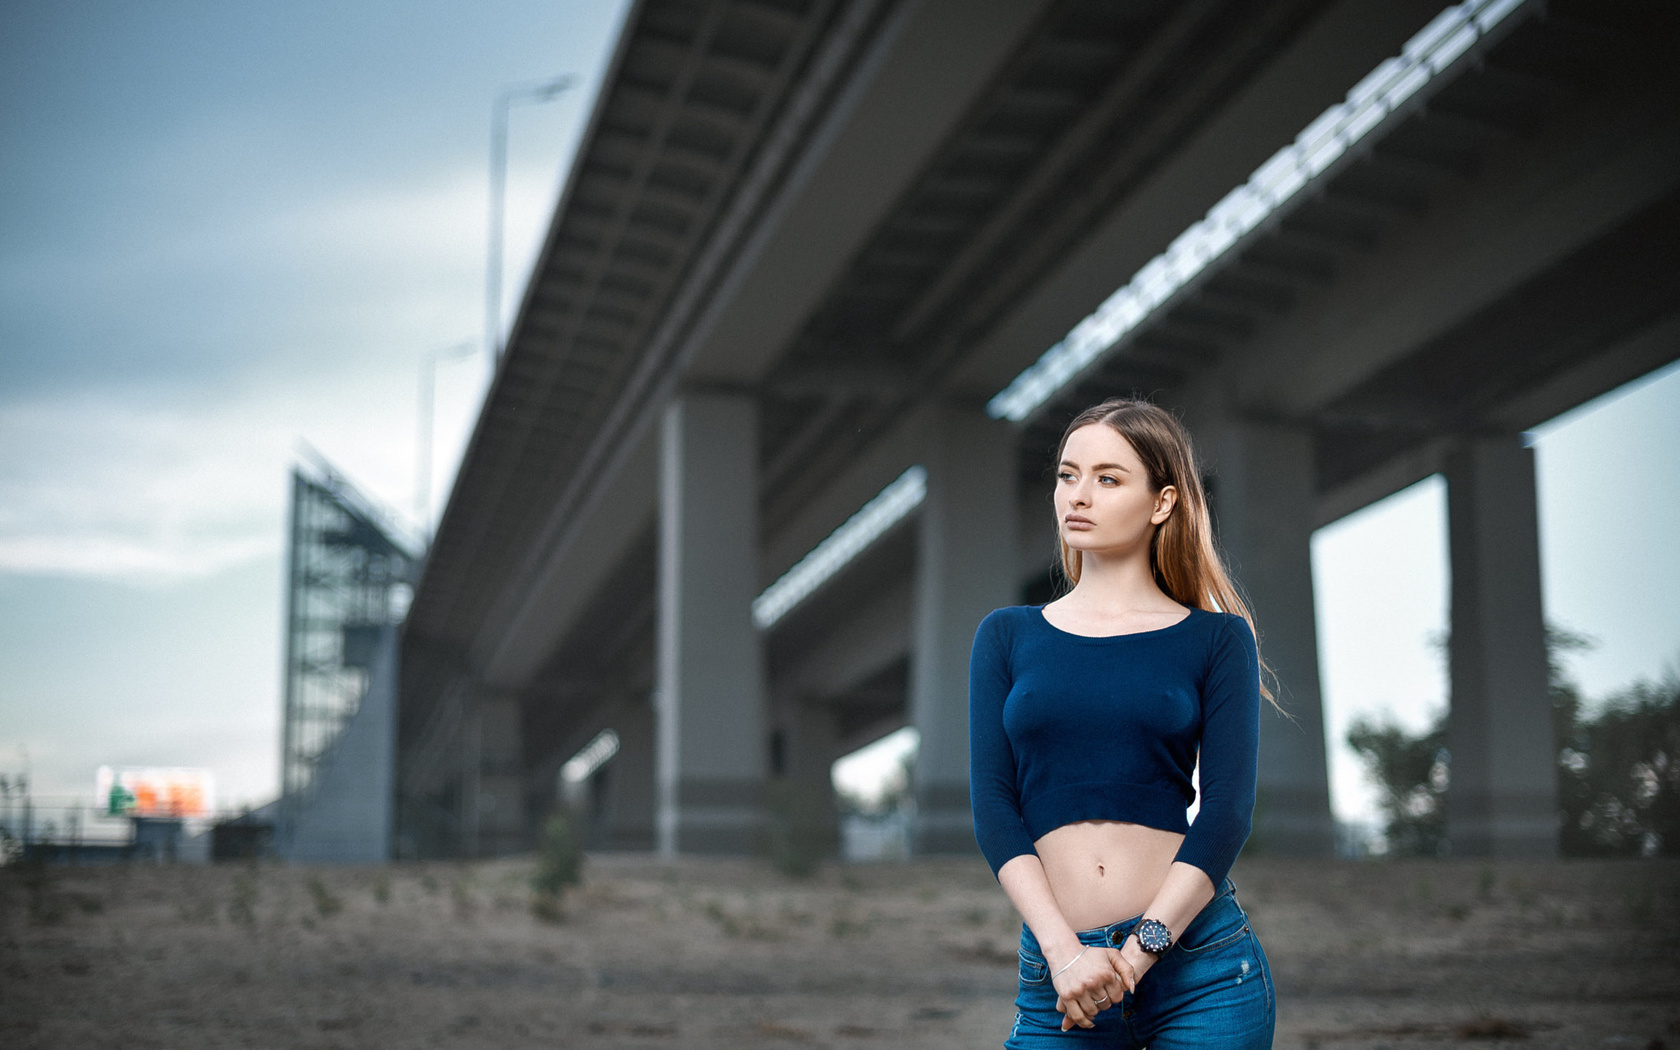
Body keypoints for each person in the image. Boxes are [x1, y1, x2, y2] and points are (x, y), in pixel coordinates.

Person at [969, 397, 1276, 1048]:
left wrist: (1137, 956)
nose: (1078, 495)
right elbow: (995, 807)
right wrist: (1065, 954)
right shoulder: (1007, 636)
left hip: (1201, 970)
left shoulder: (1217, 640)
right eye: (1067, 474)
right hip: (1060, 975)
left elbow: (1226, 813)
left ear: (1162, 502)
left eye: (1107, 479)